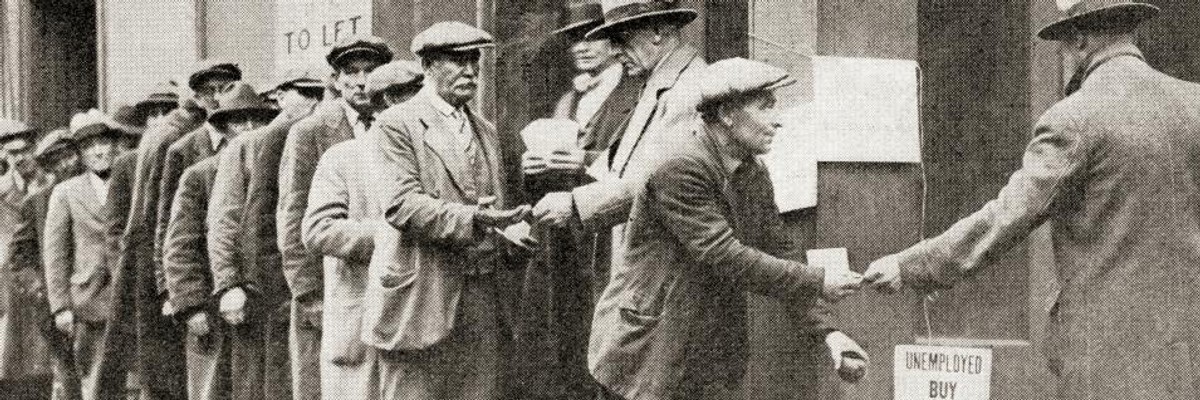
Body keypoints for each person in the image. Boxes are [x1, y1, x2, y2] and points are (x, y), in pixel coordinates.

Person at [864, 1, 1200, 399]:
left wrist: (909, 266)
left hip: (1109, 358)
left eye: (1061, 45)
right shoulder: (1194, 104)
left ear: (1080, 40)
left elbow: (1006, 218)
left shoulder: (1075, 119)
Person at [590, 58, 867, 400]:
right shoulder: (679, 166)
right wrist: (819, 280)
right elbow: (723, 255)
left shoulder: (750, 170)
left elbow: (780, 249)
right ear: (726, 115)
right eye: (765, 108)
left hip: (709, 357)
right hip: (649, 355)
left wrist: (828, 332)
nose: (777, 121)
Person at [364, 21, 529, 400]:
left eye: (473, 60)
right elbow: (401, 205)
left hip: (484, 297)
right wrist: (476, 218)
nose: (470, 71)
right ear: (427, 66)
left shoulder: (485, 129)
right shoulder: (397, 124)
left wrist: (510, 232)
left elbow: (493, 203)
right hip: (422, 296)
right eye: (456, 61)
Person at [515, 4, 647, 399]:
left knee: (603, 338)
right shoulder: (569, 100)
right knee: (562, 339)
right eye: (574, 39)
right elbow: (550, 175)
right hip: (564, 241)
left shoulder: (637, 92)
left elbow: (640, 171)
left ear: (616, 40)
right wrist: (532, 166)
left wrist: (585, 161)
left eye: (594, 36)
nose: (583, 47)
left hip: (608, 237)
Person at [266, 34, 392, 400]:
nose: (362, 81)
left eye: (371, 71)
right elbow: (293, 217)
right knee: (329, 385)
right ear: (335, 81)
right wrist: (308, 295)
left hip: (387, 286)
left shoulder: (397, 124)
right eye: (351, 72)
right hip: (331, 287)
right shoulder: (311, 131)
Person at [298, 60, 420, 399]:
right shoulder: (343, 159)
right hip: (361, 316)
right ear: (382, 108)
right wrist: (393, 235)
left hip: (417, 319)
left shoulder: (432, 160)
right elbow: (318, 229)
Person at [123, 61, 240, 400]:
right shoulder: (183, 148)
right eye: (209, 91)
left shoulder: (252, 139)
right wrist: (173, 293)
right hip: (198, 278)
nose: (218, 97)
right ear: (198, 98)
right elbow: (164, 225)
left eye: (226, 88)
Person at [164, 82, 277, 400]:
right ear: (224, 127)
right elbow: (180, 244)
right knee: (212, 388)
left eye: (257, 120)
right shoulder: (200, 175)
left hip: (257, 304)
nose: (250, 129)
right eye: (240, 121)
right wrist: (192, 305)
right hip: (213, 308)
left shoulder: (272, 167)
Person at [98, 84, 182, 400]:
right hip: (139, 280)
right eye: (153, 114)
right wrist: (131, 277)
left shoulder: (187, 151)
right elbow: (117, 231)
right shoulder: (129, 164)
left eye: (165, 112)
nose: (159, 120)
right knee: (149, 370)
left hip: (176, 276)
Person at [43, 116, 124, 400]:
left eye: (105, 143)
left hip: (128, 299)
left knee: (134, 383)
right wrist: (61, 307)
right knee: (95, 381)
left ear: (116, 146)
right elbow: (55, 255)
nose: (100, 151)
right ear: (80, 153)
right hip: (88, 302)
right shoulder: (66, 192)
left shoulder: (131, 184)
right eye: (91, 146)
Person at [9, 128, 81, 400]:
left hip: (95, 298)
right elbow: (20, 258)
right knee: (68, 377)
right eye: (56, 161)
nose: (66, 165)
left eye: (70, 156)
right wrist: (43, 292)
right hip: (57, 309)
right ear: (49, 167)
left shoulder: (103, 193)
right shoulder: (37, 203)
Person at [0, 120, 53, 399]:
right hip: (7, 286)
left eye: (23, 150)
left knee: (44, 365)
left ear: (34, 150)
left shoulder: (51, 184)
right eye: (12, 153)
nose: (19, 158)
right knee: (11, 365)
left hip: (42, 279)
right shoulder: (1, 191)